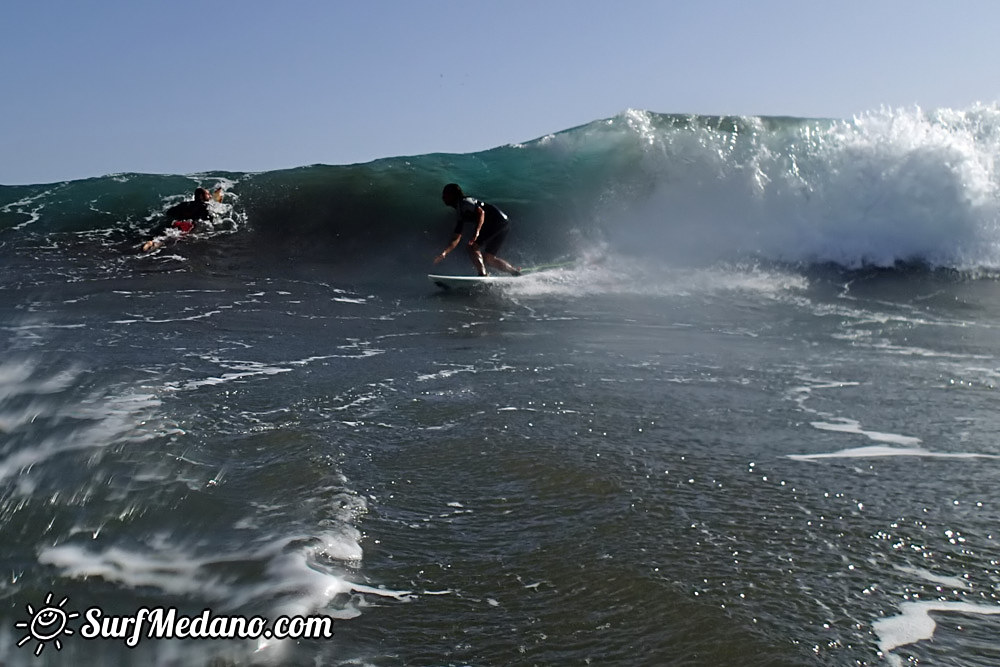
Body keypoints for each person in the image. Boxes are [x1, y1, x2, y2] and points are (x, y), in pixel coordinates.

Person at [434, 183, 521, 276]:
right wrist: (445, 253)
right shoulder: (460, 211)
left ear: (453, 195)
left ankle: (483, 274)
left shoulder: (465, 202)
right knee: (488, 258)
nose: (443, 197)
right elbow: (456, 237)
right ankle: (514, 272)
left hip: (496, 221)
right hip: (503, 222)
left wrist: (477, 232)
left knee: (472, 247)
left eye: (445, 194)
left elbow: (481, 213)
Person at [141, 187, 223, 252]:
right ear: (201, 196)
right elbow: (210, 219)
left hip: (177, 223)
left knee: (165, 236)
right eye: (208, 194)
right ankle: (152, 246)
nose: (210, 196)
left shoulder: (185, 204)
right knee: (167, 240)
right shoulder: (205, 206)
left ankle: (150, 242)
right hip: (187, 225)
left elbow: (170, 212)